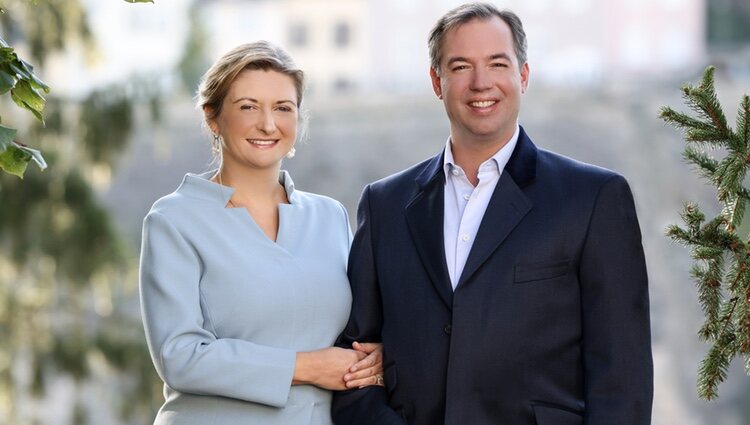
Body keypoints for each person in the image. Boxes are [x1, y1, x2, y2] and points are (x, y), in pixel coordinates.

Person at [332, 3, 652, 425]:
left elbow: (622, 379)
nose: (481, 83)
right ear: (436, 81)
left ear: (523, 74)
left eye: (497, 63)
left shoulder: (593, 198)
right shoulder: (384, 204)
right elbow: (354, 367)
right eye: (461, 66)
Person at [139, 41, 383, 425]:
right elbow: (179, 356)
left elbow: (357, 330)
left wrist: (375, 358)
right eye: (248, 107)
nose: (268, 124)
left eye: (283, 108)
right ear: (212, 118)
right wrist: (305, 367)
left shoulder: (329, 216)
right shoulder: (174, 220)